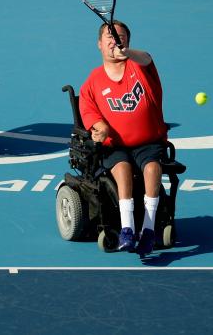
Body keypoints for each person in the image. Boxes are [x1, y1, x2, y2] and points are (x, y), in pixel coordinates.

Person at [79, 20, 167, 255]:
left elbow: (147, 57)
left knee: (151, 168)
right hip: (115, 146)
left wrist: (127, 53)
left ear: (127, 42)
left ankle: (148, 229)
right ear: (99, 44)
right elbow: (88, 111)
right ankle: (127, 228)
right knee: (123, 169)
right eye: (110, 36)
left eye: (121, 36)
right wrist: (101, 128)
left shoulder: (140, 67)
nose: (115, 39)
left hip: (148, 141)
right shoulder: (93, 80)